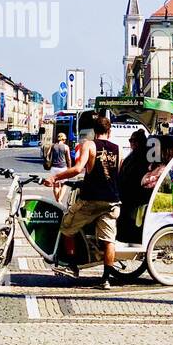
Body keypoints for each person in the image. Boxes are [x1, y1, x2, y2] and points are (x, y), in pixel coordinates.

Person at [43, 114, 121, 289]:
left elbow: (78, 168)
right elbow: (117, 174)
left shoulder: (89, 145)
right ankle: (106, 279)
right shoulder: (118, 149)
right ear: (109, 131)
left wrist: (56, 177)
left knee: (67, 227)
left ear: (94, 131)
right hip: (112, 201)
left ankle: (71, 265)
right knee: (109, 240)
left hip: (91, 199)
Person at [115, 129, 152, 245]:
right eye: (130, 140)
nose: (132, 143)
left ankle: (128, 239)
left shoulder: (142, 156)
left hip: (134, 194)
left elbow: (137, 175)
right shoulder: (133, 155)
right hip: (127, 192)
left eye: (134, 140)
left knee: (125, 216)